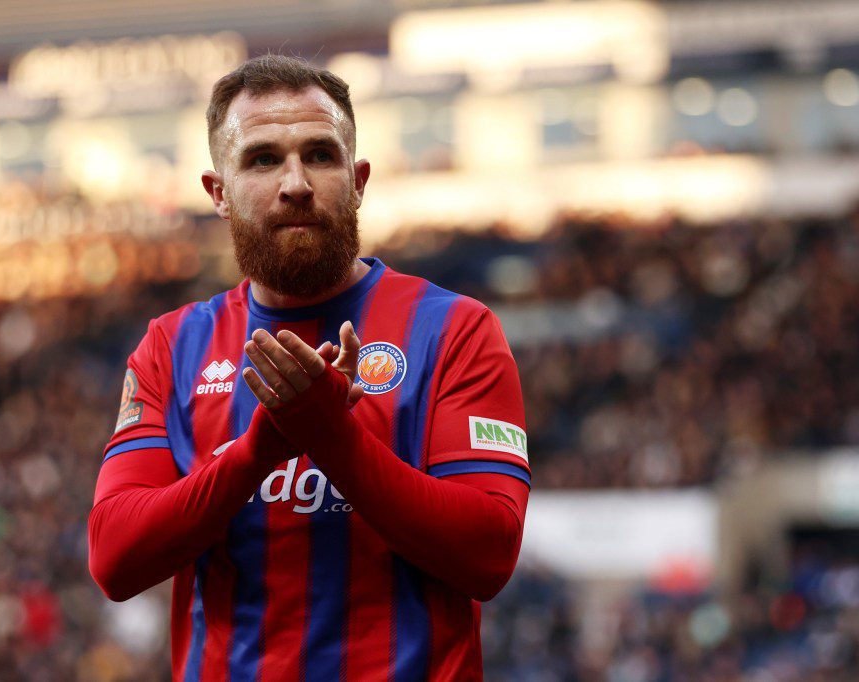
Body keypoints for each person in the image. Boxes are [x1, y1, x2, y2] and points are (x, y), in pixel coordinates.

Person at [88, 55, 531, 681]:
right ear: (218, 192)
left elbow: (489, 555)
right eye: (263, 159)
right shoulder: (172, 345)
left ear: (358, 179)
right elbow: (113, 557)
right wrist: (259, 450)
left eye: (320, 155)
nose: (295, 182)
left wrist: (331, 435)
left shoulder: (455, 330)